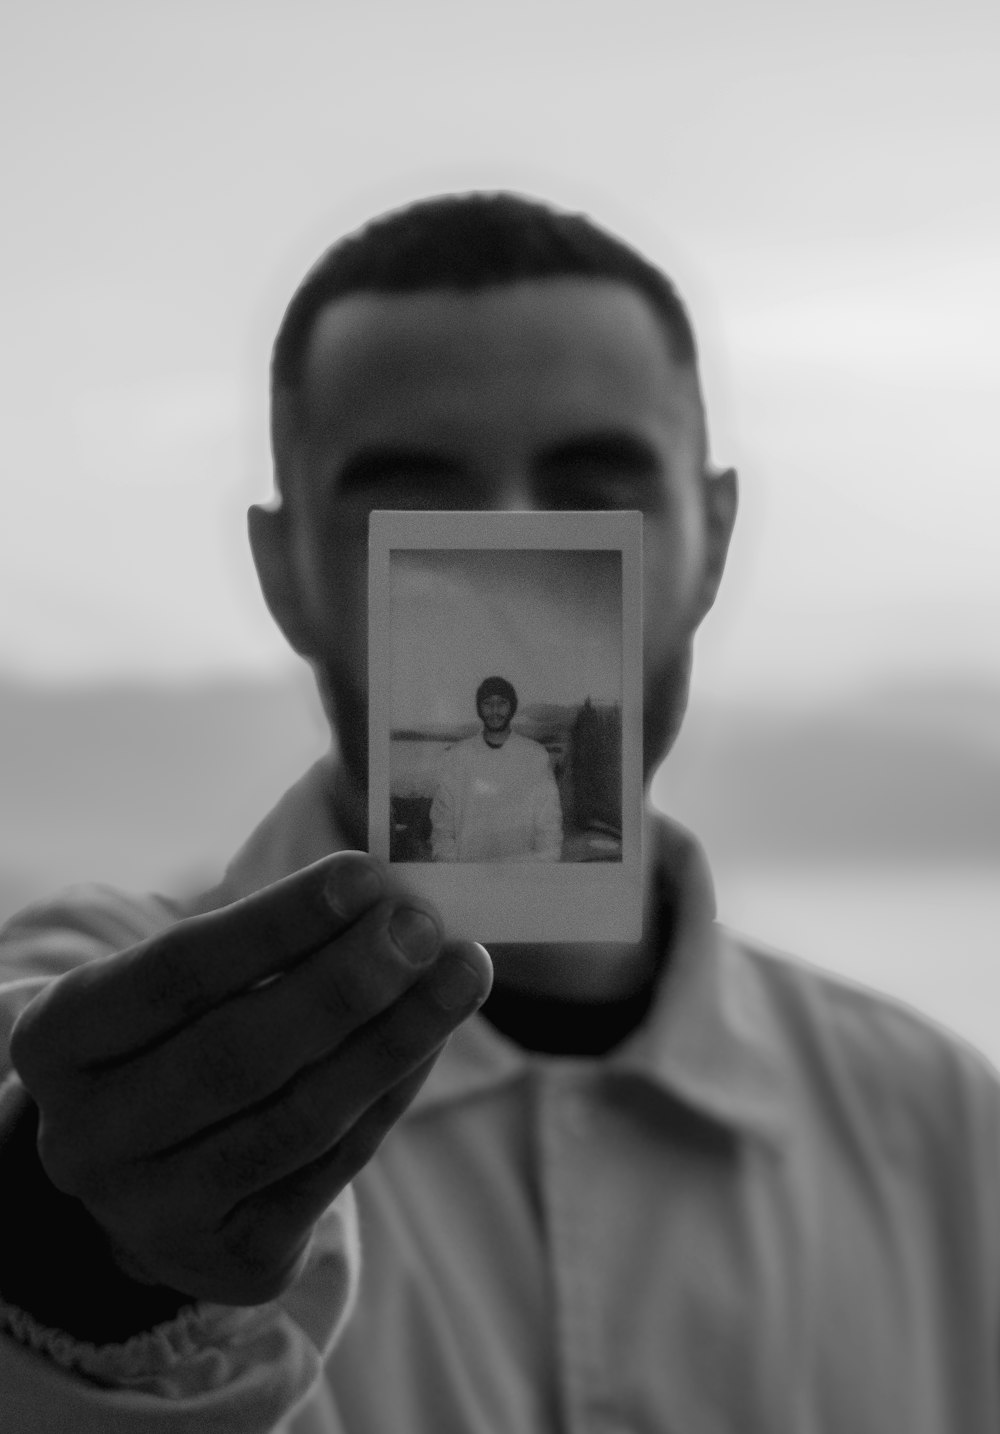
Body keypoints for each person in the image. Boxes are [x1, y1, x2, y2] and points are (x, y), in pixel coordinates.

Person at [1, 192, 998, 1433]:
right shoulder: (86, 1009)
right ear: (284, 570)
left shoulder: (944, 1127)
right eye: (409, 498)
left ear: (710, 542)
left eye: (592, 489)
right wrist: (76, 1267)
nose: (507, 556)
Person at [429, 676, 563, 862]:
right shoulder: (457, 757)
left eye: (502, 703)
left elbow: (549, 824)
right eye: (487, 703)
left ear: (512, 707)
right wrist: (452, 869)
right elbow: (442, 826)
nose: (494, 710)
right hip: (468, 874)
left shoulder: (534, 756)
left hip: (521, 876)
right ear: (479, 708)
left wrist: (539, 871)